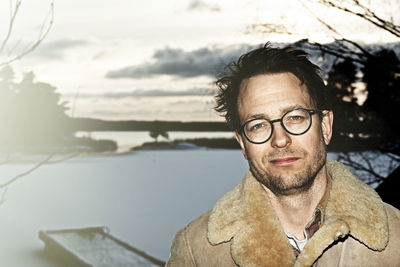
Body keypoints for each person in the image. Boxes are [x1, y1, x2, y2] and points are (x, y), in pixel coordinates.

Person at [166, 43, 400, 266]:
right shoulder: (195, 250)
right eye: (258, 125)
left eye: (295, 117)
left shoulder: (396, 239)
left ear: (325, 127)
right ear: (243, 143)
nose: (279, 139)